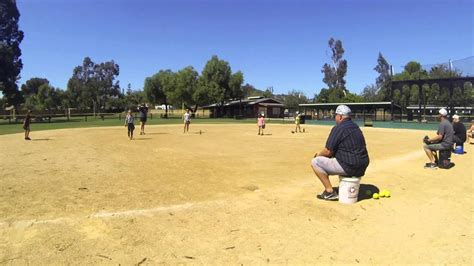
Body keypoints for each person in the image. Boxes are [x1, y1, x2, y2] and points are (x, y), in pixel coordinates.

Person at [311, 105, 370, 201]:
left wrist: (317, 155)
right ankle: (348, 187)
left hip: (349, 166)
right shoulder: (356, 127)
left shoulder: (338, 128)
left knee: (315, 162)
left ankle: (329, 192)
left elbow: (328, 151)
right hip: (362, 166)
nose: (335, 118)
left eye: (336, 115)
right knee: (343, 156)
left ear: (340, 117)